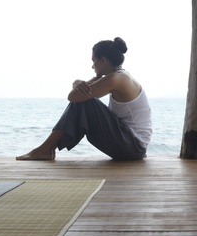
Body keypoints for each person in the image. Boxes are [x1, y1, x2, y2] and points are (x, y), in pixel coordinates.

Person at [16, 37, 152, 161]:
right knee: (84, 101)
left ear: (103, 60)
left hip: (133, 147)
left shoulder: (117, 79)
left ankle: (45, 149)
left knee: (83, 102)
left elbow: (74, 97)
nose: (92, 66)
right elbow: (83, 93)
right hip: (131, 146)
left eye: (94, 61)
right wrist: (78, 82)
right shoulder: (120, 76)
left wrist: (77, 83)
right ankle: (46, 149)